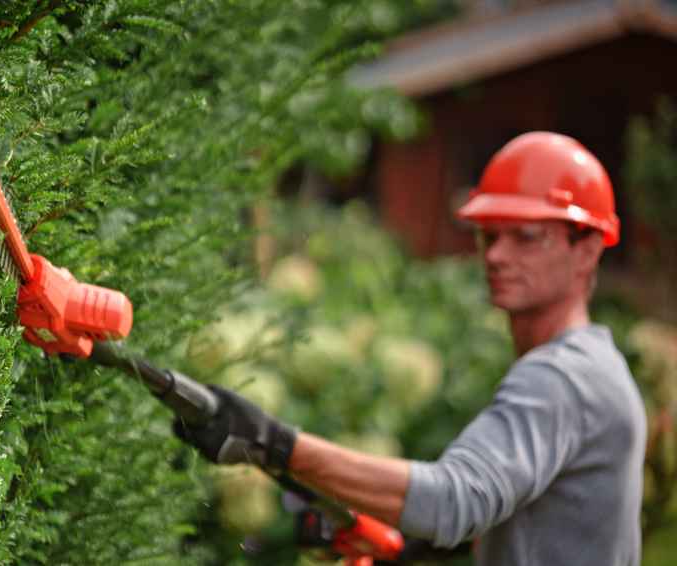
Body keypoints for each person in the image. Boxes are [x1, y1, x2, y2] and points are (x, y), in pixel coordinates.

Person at [175, 132, 647, 565]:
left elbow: (454, 499)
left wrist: (275, 443)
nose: (496, 255)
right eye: (489, 234)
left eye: (526, 237)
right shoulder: (593, 366)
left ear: (588, 249)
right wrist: (417, 546)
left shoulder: (563, 377)